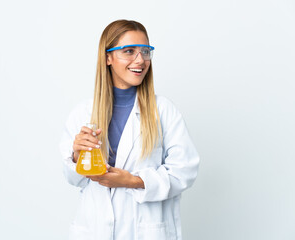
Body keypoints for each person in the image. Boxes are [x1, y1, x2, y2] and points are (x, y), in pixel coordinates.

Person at [60, 19, 199, 240]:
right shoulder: (83, 112)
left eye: (145, 51)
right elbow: (73, 178)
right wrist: (77, 157)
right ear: (108, 57)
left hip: (146, 231)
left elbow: (184, 171)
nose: (140, 60)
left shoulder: (162, 110)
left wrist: (132, 181)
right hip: (94, 230)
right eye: (129, 51)